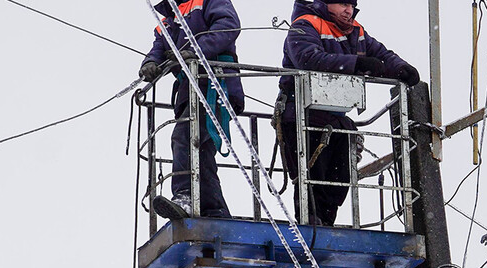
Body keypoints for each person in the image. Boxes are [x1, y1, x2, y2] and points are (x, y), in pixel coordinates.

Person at [278, 0, 420, 226]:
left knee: (340, 177)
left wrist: (401, 68)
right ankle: (311, 224)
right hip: (301, 115)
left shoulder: (356, 32)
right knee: (312, 177)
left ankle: (326, 223)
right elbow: (309, 59)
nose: (349, 11)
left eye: (351, 5)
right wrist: (357, 63)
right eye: (343, 4)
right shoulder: (304, 26)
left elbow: (382, 54)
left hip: (336, 117)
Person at [139, 0, 245, 220]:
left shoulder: (207, 1)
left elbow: (229, 25)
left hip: (214, 82)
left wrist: (197, 50)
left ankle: (186, 195)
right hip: (190, 88)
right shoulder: (169, 19)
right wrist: (150, 63)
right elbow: (159, 46)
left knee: (185, 137)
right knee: (200, 151)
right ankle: (215, 210)